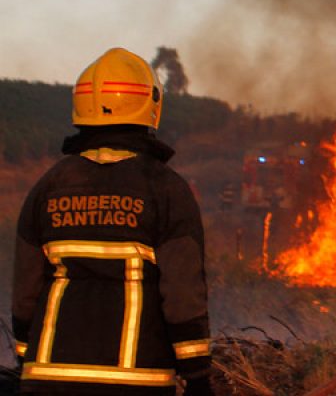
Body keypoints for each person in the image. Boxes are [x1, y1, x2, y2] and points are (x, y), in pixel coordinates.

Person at [11, 47, 212, 395]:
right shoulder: (165, 189)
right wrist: (198, 376)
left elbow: (25, 293)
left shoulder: (48, 186)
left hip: (47, 378)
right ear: (150, 105)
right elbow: (182, 293)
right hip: (135, 380)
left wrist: (25, 358)